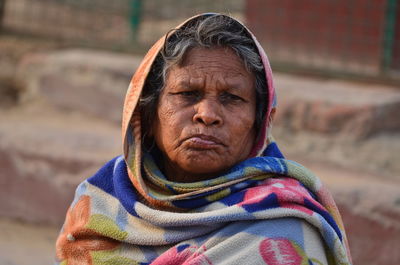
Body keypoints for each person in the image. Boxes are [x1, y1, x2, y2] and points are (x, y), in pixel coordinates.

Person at [56, 14, 352, 265]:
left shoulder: (284, 229)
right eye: (187, 94)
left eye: (232, 98)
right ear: (147, 112)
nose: (208, 114)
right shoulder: (102, 199)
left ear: (260, 122)